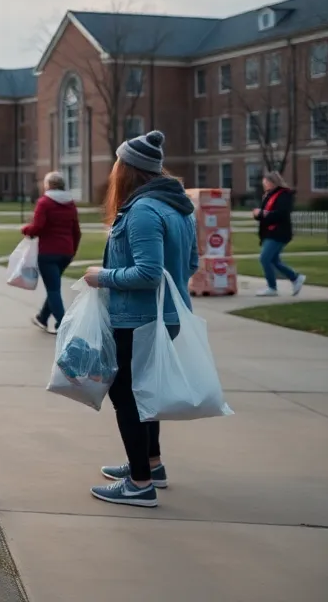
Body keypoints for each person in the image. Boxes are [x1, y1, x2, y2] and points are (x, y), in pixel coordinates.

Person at [81, 130, 198, 509]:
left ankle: (139, 483)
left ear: (127, 169)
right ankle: (151, 464)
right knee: (145, 391)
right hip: (165, 316)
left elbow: (148, 273)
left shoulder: (144, 210)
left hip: (140, 317)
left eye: (117, 163)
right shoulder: (177, 208)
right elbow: (190, 264)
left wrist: (103, 277)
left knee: (126, 393)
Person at [22, 171, 82, 334]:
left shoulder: (44, 202)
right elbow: (76, 230)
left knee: (53, 289)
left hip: (48, 252)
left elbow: (38, 227)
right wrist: (73, 250)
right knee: (54, 286)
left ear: (48, 185)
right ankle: (42, 317)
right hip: (66, 252)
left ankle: (63, 324)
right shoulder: (71, 203)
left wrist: (25, 229)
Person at [252, 172, 305, 297]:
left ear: (273, 182)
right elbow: (265, 216)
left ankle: (272, 287)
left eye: (265, 182)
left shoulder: (284, 195)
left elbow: (282, 213)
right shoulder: (268, 195)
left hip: (279, 232)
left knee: (265, 258)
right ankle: (295, 278)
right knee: (274, 260)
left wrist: (263, 213)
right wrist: (258, 214)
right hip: (269, 232)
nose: (264, 185)